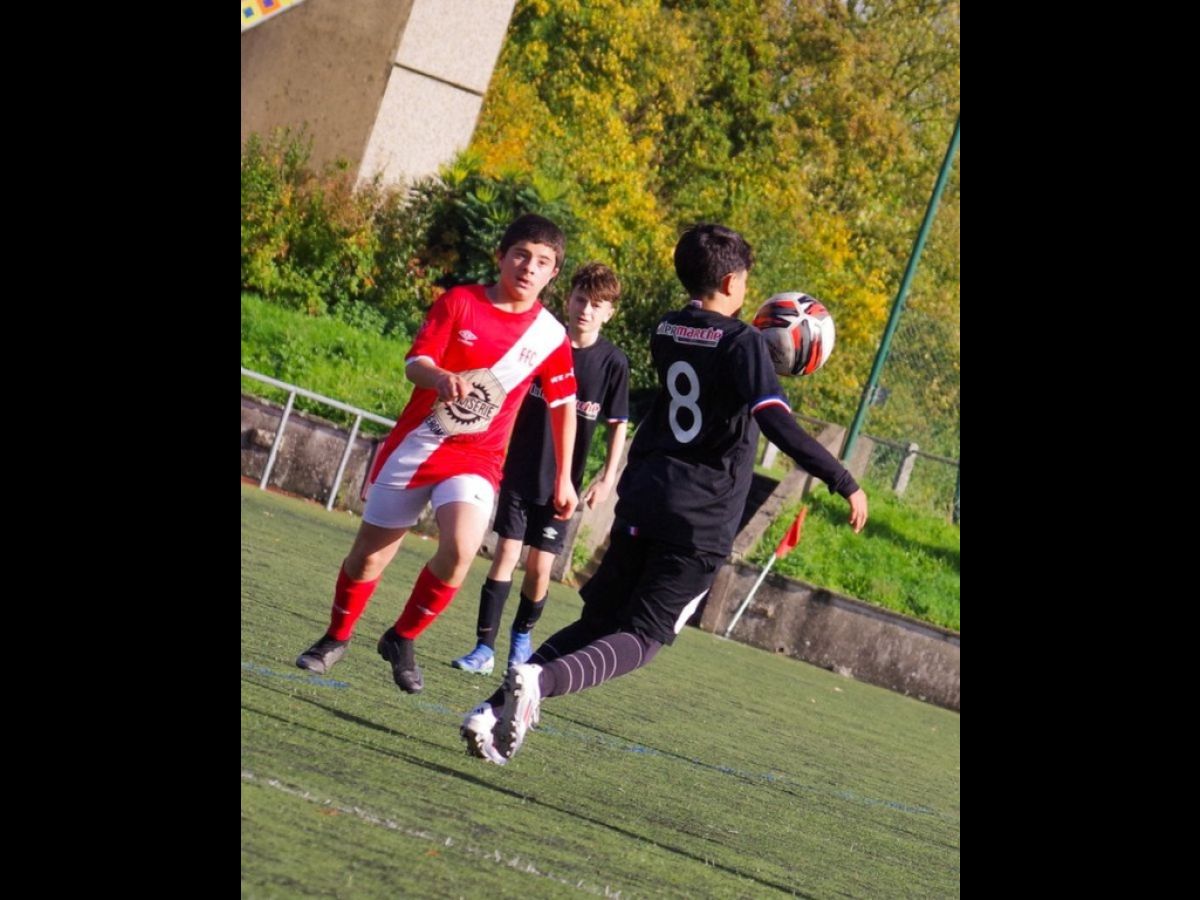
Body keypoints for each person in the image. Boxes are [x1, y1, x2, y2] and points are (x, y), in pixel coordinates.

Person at [460, 223, 869, 764]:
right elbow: (775, 422)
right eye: (744, 280)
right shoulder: (743, 343)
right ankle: (540, 681)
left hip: (645, 495)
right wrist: (844, 480)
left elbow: (713, 372)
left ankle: (487, 712)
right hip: (697, 517)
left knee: (598, 623)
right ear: (730, 280)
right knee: (645, 637)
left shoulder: (669, 327)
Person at [295, 213, 579, 696]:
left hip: (477, 459)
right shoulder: (460, 302)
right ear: (502, 257)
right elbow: (415, 363)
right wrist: (440, 377)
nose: (529, 267)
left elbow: (564, 406)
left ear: (553, 274)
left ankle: (402, 638)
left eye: (543, 262)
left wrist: (565, 477)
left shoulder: (551, 336)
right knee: (367, 559)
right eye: (521, 255)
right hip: (417, 445)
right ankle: (335, 637)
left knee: (463, 549)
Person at [450, 262, 630, 676]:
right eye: (580, 299)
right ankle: (482, 648)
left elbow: (617, 426)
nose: (585, 309)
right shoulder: (544, 342)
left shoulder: (612, 363)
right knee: (505, 556)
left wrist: (608, 477)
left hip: (562, 485)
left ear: (609, 313)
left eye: (596, 304)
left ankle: (520, 641)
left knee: (539, 567)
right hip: (518, 469)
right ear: (568, 300)